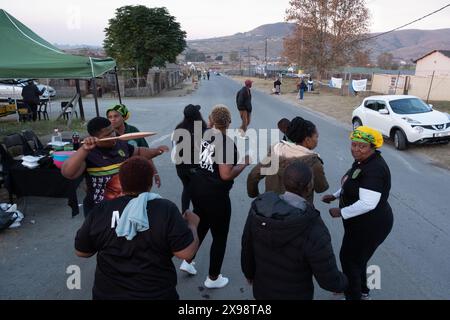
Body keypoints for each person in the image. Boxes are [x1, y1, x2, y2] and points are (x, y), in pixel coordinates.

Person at [74, 156, 200, 300]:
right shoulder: (166, 209)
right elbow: (186, 253)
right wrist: (193, 225)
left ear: (121, 181)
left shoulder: (102, 210)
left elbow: (81, 251)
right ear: (150, 183)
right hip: (157, 294)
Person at [241, 161, 348, 300]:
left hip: (262, 291)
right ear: (309, 187)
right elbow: (329, 280)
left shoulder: (260, 208)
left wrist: (248, 273)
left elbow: (247, 244)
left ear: (284, 182)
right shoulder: (313, 226)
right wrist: (346, 282)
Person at [180, 105, 250, 289]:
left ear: (211, 121)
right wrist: (243, 164)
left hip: (198, 188)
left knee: (201, 224)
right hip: (215, 195)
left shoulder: (206, 136)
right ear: (229, 123)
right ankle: (213, 277)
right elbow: (226, 174)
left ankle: (188, 260)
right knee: (220, 236)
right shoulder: (225, 143)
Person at [321, 126, 394, 300]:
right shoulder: (363, 161)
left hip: (370, 226)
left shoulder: (374, 169)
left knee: (350, 261)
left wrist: (341, 211)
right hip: (360, 223)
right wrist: (336, 195)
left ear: (373, 147)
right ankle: (362, 291)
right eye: (354, 144)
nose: (356, 149)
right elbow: (352, 182)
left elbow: (368, 203)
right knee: (357, 260)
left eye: (362, 146)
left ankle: (353, 295)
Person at [62, 117, 169, 217]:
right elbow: (68, 173)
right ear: (96, 138)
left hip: (124, 207)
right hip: (99, 210)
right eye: (108, 134)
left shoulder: (121, 145)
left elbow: (139, 152)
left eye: (112, 131)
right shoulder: (88, 154)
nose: (113, 135)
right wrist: (84, 149)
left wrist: (156, 151)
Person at [247, 116, 329, 204]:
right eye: (316, 137)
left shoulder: (276, 150)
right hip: (297, 213)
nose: (317, 140)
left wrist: (255, 194)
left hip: (270, 208)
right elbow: (321, 188)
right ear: (307, 140)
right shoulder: (313, 162)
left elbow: (253, 175)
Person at [106, 103, 162, 187]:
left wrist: (155, 173)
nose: (113, 119)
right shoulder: (108, 135)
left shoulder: (133, 131)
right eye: (110, 117)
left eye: (116, 116)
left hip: (137, 175)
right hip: (118, 177)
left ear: (124, 117)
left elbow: (146, 154)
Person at [172, 104, 207, 212]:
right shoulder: (202, 128)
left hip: (180, 167)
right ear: (198, 115)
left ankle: (185, 214)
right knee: (197, 191)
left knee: (187, 189)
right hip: (194, 167)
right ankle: (196, 215)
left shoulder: (179, 127)